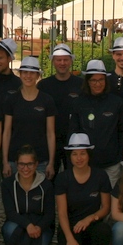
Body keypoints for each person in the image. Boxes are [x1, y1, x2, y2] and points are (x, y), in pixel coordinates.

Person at [55, 133, 112, 245]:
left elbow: (106, 207)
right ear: (70, 156)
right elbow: (61, 213)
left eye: (82, 154)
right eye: (75, 154)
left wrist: (90, 218)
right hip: (71, 224)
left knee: (104, 231)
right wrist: (70, 238)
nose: (79, 158)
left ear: (89, 155)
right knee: (69, 244)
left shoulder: (100, 176)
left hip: (92, 224)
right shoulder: (63, 178)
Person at [69, 60, 123, 187]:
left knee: (111, 201)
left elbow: (122, 131)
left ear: (106, 81)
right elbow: (73, 131)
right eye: (93, 80)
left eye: (101, 80)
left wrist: (121, 156)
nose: (97, 84)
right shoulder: (78, 103)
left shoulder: (116, 102)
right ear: (87, 82)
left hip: (111, 164)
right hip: (86, 164)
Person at [1, 145, 54, 245]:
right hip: (18, 223)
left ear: (36, 164)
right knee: (9, 230)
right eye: (21, 164)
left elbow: (50, 214)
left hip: (39, 224)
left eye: (29, 164)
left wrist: (38, 227)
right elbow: (10, 212)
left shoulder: (46, 185)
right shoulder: (8, 184)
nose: (25, 168)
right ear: (16, 165)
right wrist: (28, 225)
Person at [2, 56, 56, 179]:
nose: (28, 76)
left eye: (32, 73)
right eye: (25, 72)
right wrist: (5, 162)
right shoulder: (11, 100)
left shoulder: (47, 100)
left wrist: (51, 163)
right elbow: (6, 132)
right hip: (15, 159)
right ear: (20, 75)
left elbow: (50, 133)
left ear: (38, 76)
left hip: (41, 159)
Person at [37, 44, 83, 173]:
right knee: (50, 178)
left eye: (65, 59)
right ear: (53, 62)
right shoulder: (43, 85)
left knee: (74, 177)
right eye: (58, 60)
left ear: (71, 61)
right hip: (50, 140)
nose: (62, 63)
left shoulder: (80, 84)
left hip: (74, 139)